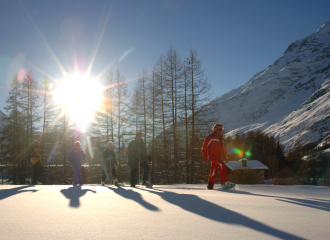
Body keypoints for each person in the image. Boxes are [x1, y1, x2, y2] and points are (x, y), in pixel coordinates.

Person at [202, 123, 235, 190]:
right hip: (212, 156)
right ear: (215, 130)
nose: (220, 131)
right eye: (219, 129)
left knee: (214, 171)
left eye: (221, 130)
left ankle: (210, 185)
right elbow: (204, 148)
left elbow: (224, 150)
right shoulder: (210, 137)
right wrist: (206, 158)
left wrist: (226, 157)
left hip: (218, 157)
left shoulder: (222, 139)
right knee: (222, 165)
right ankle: (224, 183)